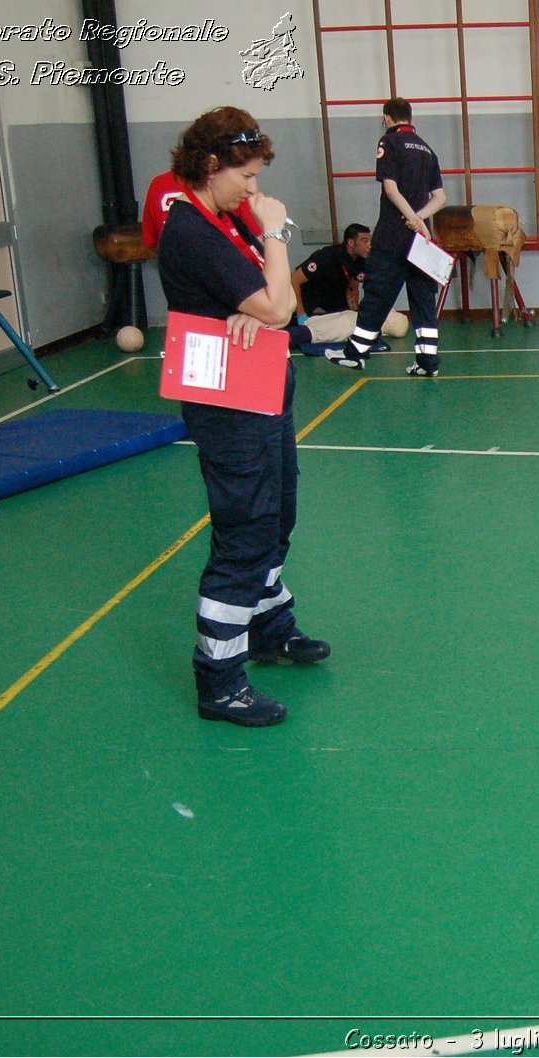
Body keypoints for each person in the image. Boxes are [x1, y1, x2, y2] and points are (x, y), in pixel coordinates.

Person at [155, 106, 332, 727]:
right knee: (245, 532)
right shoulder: (192, 230)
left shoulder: (225, 222)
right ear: (211, 166)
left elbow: (282, 300)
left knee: (278, 513)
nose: (255, 191)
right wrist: (277, 237)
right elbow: (280, 305)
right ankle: (219, 679)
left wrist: (258, 305)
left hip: (261, 389)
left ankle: (268, 627)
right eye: (247, 177)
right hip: (229, 406)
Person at [330, 96, 447, 376]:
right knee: (423, 301)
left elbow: (391, 189)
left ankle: (355, 353)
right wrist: (421, 219)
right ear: (411, 117)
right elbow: (440, 197)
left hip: (394, 237)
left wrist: (411, 218)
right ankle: (427, 363)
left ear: (387, 117)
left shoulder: (389, 142)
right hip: (421, 242)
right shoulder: (428, 150)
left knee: (378, 296)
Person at [288, 223, 409, 354]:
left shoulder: (361, 261)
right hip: (308, 293)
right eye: (365, 241)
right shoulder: (326, 257)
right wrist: (301, 314)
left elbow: (353, 288)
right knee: (292, 323)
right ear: (351, 243)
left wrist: (355, 313)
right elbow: (294, 279)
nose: (369, 245)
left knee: (345, 322)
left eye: (370, 241)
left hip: (332, 294)